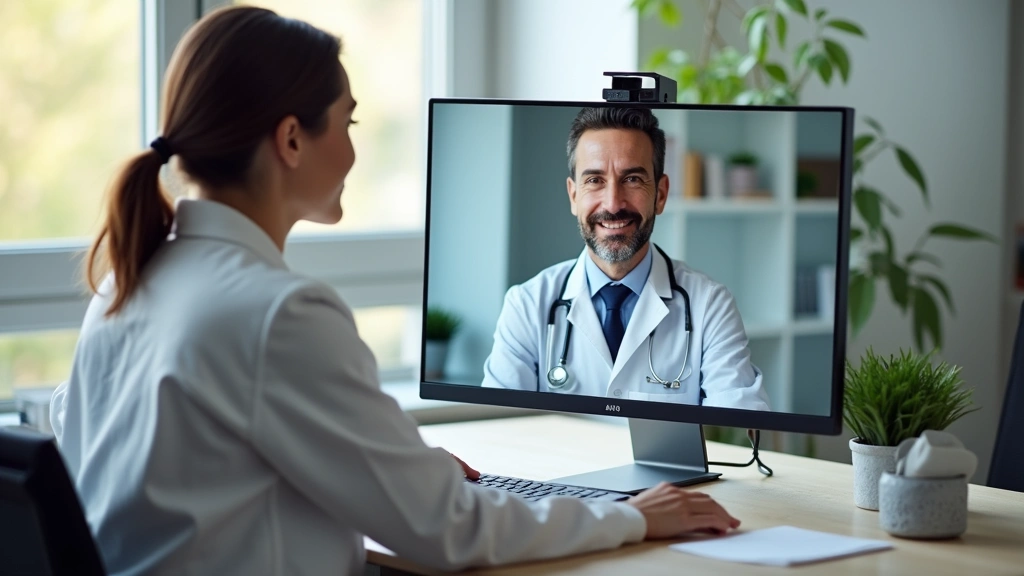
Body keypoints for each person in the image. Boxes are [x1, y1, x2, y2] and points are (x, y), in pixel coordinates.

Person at [48, 7, 740, 576]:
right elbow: (447, 529)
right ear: (291, 139)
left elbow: (210, 479)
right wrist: (631, 515)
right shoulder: (277, 313)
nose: (353, 150)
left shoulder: (124, 286)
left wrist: (394, 463)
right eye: (346, 123)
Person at [481, 107, 770, 410]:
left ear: (660, 194)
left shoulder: (710, 306)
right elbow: (498, 429)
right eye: (594, 180)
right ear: (573, 196)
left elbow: (744, 421)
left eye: (632, 179)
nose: (613, 203)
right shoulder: (526, 305)